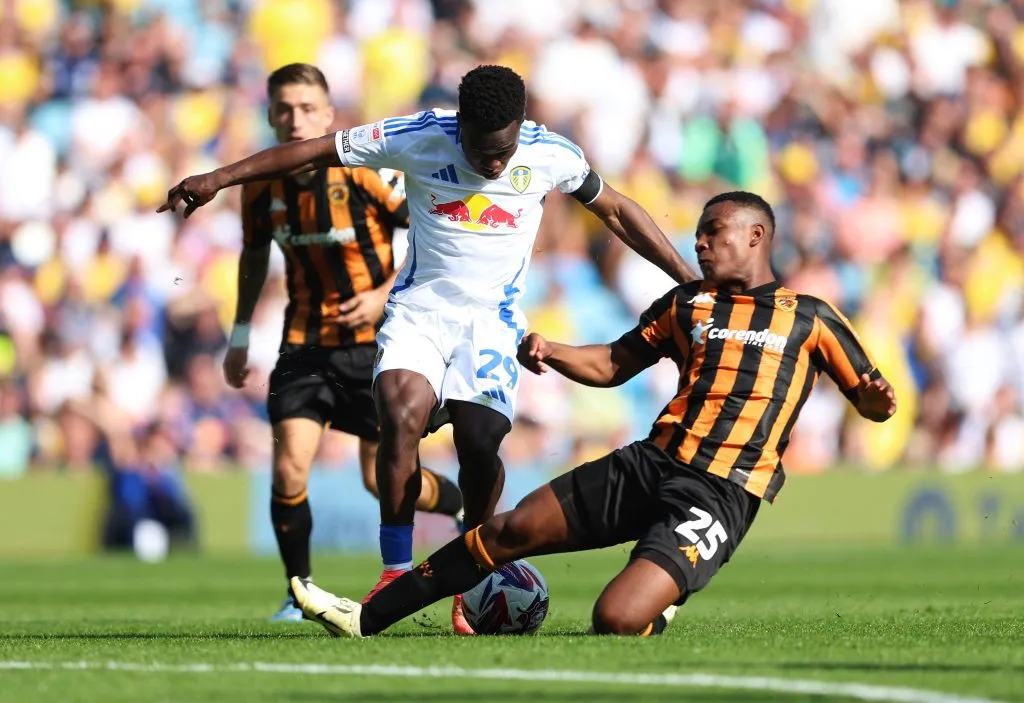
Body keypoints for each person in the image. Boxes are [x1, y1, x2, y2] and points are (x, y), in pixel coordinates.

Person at [159, 65, 696, 633]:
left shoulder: (549, 153)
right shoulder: (417, 137)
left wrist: (688, 279)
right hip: (419, 312)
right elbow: (313, 152)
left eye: (505, 150)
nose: (495, 163)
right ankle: (394, 570)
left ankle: (475, 566)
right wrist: (218, 178)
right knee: (400, 414)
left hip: (492, 322)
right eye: (484, 150)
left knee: (480, 441)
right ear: (460, 124)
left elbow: (615, 210)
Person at [286, 191, 898, 638]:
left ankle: (662, 596)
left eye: (714, 232)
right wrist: (553, 350)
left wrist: (872, 402)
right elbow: (612, 363)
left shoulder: (811, 316)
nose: (700, 242)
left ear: (757, 237)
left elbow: (869, 398)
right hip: (651, 461)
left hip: (719, 493)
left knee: (616, 619)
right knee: (507, 531)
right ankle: (366, 618)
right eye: (699, 234)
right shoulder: (688, 304)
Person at [222, 64, 463, 623]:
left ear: (328, 115)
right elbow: (254, 256)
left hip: (378, 347)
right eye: (284, 109)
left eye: (307, 109)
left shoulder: (364, 172)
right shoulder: (261, 184)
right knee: (289, 470)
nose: (295, 119)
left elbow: (430, 228)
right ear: (270, 116)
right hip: (304, 347)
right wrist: (238, 334)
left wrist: (382, 293)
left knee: (378, 481)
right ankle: (297, 590)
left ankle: (458, 506)